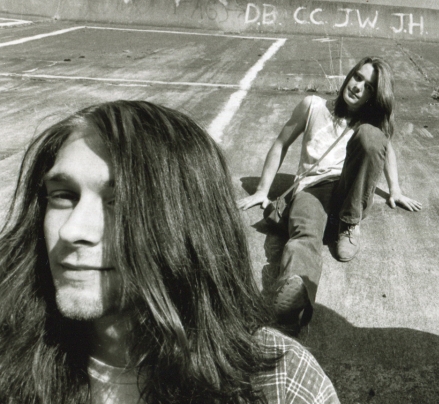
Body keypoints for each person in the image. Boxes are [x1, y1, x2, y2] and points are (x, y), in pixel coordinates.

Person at [0, 100, 339, 403]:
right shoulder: (11, 352)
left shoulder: (280, 381)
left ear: (189, 224)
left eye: (119, 202)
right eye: (63, 195)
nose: (71, 230)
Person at [237, 56, 421, 333]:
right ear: (349, 75)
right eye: (358, 77)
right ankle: (294, 300)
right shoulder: (312, 106)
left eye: (369, 87)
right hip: (311, 190)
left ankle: (349, 224)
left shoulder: (367, 126)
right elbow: (280, 143)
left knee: (372, 136)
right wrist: (263, 189)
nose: (359, 87)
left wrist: (395, 190)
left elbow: (384, 150)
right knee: (304, 235)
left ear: (374, 97)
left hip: (351, 191)